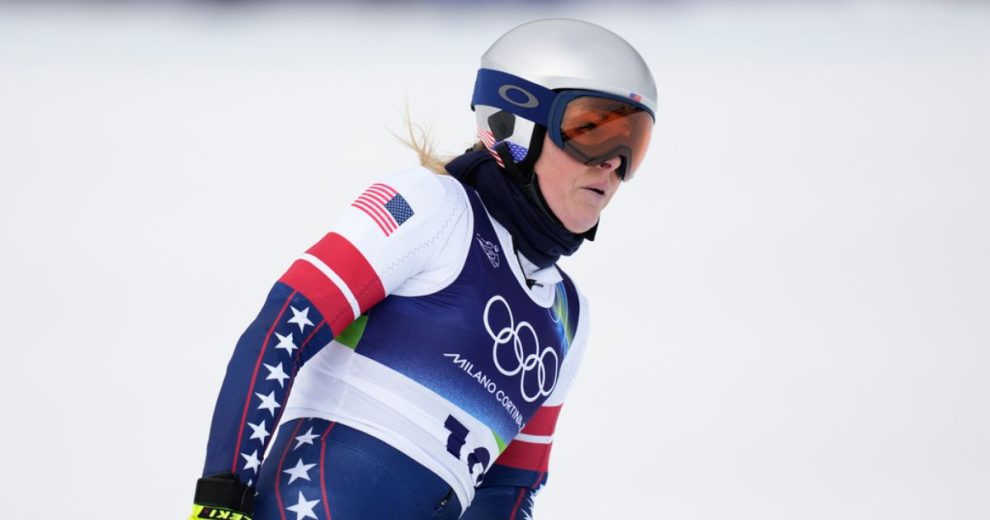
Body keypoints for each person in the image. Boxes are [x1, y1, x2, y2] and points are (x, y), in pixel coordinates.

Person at [189, 18, 657, 520]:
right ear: (515, 126)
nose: (613, 163)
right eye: (590, 131)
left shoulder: (568, 316)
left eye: (632, 143)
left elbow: (508, 493)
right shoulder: (430, 205)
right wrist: (221, 499)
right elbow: (280, 330)